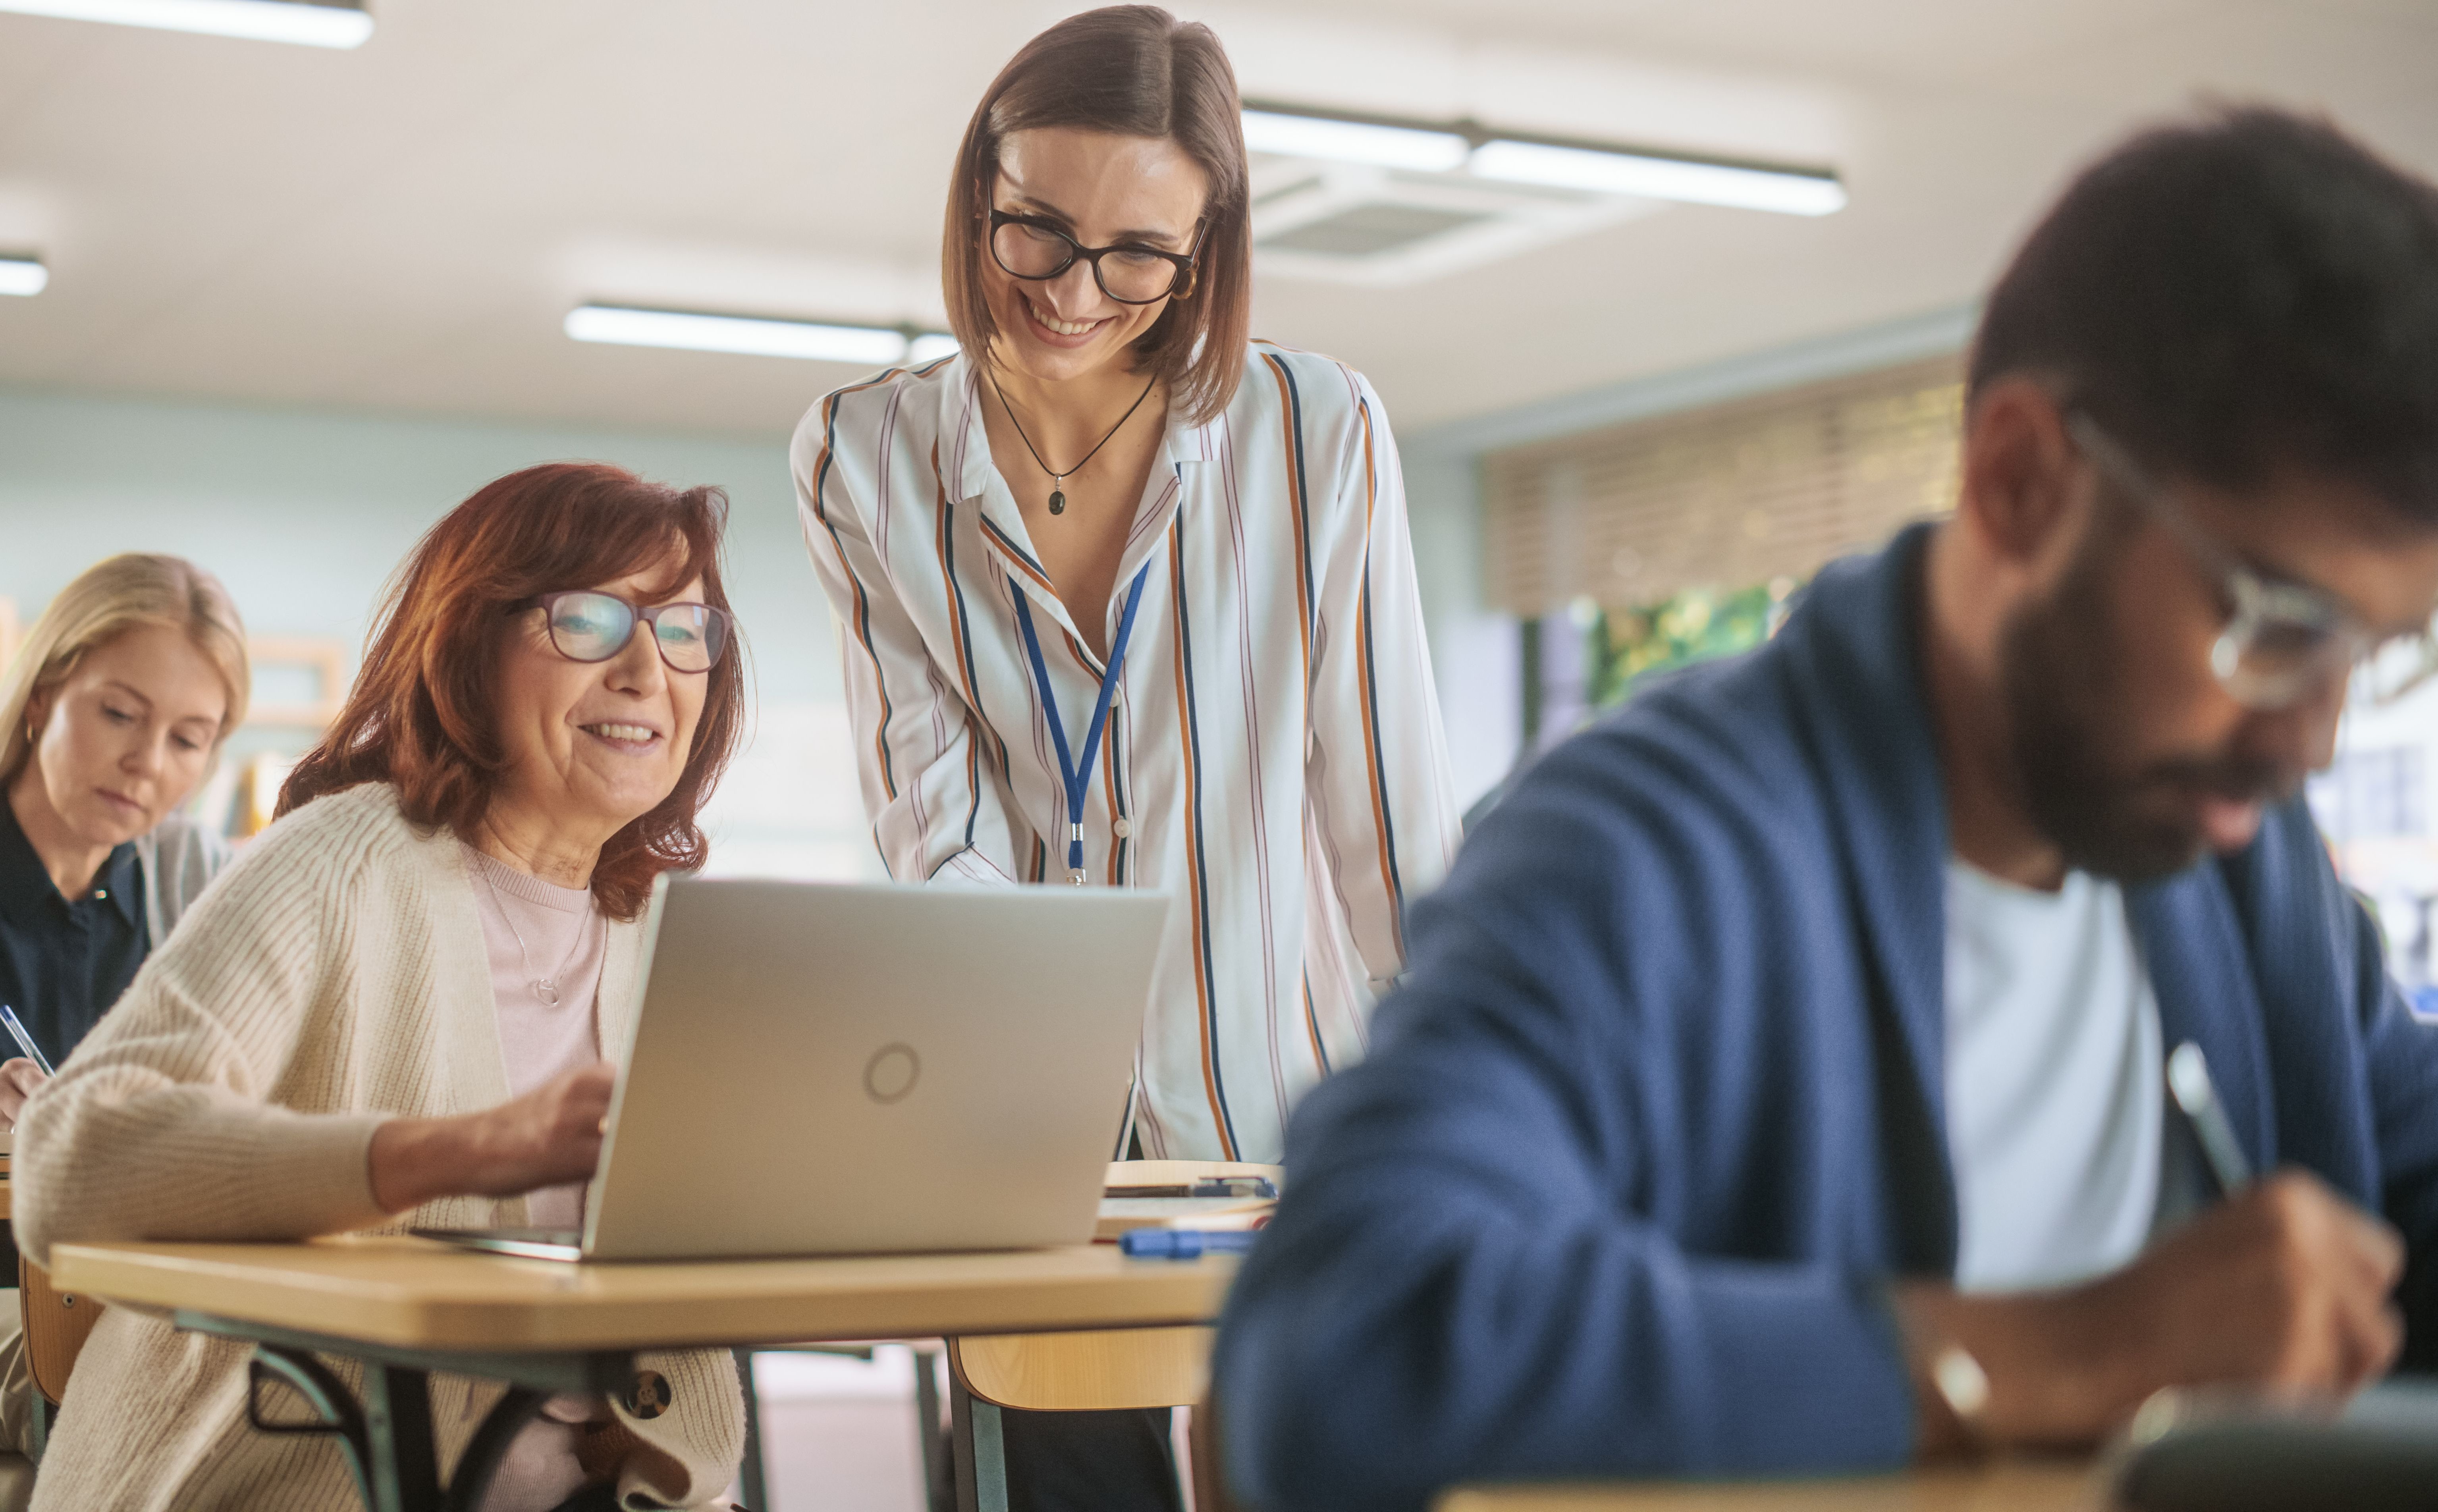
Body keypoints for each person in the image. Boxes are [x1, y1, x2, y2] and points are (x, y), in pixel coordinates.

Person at [1212, 107, 2438, 1511]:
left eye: (2369, 651)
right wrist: (2069, 1347)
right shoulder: (1648, 844)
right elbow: (1334, 1355)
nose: (2313, 734)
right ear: (2022, 479)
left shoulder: (2233, 857)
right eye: (2272, 622)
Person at [795, 9, 1461, 1508]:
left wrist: (1468, 1119)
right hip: (1034, 1145)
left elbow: (1388, 830)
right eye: (1036, 230)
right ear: (981, 190)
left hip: (1281, 1128)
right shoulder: (860, 455)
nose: (1076, 293)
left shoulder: (1315, 430)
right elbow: (930, 814)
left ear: (1207, 251)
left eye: (1138, 254)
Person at [16, 464, 749, 1512]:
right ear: (470, 646)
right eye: (590, 621)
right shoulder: (338, 862)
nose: (648, 669)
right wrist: (457, 1151)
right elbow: (68, 1161)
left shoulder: (675, 933)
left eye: (688, 632)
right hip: (309, 1482)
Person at [0, 552, 249, 1452]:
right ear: (42, 696)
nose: (147, 763)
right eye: (118, 714)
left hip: (140, 1286)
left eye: (187, 739)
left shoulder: (192, 882)